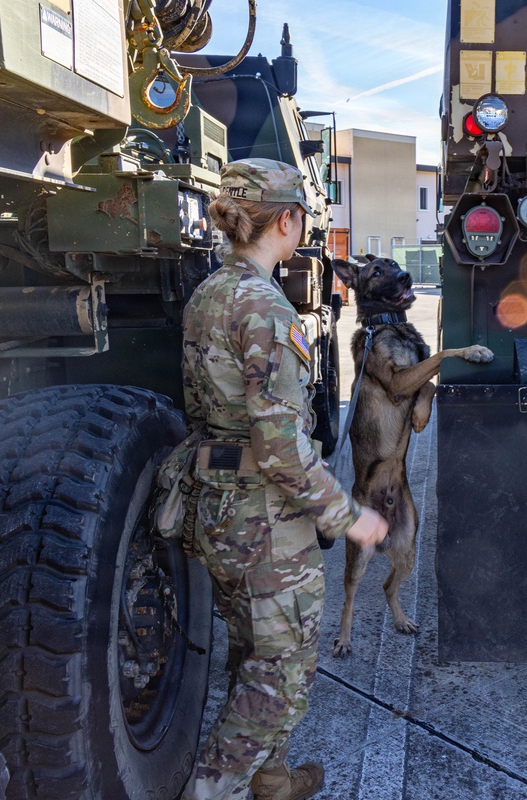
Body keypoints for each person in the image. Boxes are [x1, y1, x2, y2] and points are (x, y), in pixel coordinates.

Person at [178, 158, 388, 800]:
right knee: (280, 679)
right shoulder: (265, 308)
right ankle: (211, 791)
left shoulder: (209, 293)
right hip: (264, 518)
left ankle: (271, 783)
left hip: (217, 508)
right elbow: (280, 448)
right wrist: (350, 516)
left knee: (252, 650)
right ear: (290, 221)